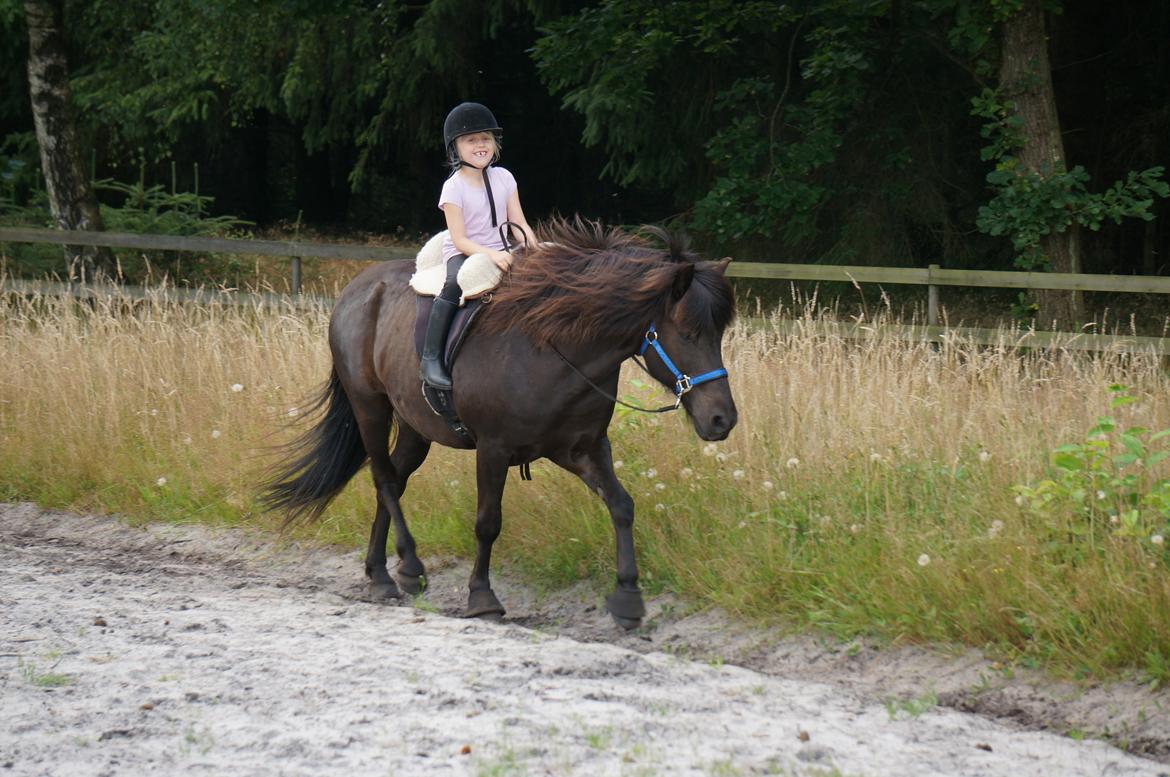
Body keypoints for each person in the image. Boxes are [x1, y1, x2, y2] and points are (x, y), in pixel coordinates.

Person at [420, 101, 537, 391]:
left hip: (501, 247)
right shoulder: (453, 187)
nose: (480, 145)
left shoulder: (505, 177)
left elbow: (519, 224)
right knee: (454, 285)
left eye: (485, 138)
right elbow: (459, 239)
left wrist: (536, 249)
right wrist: (493, 255)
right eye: (471, 140)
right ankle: (431, 358)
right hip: (464, 251)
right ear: (455, 148)